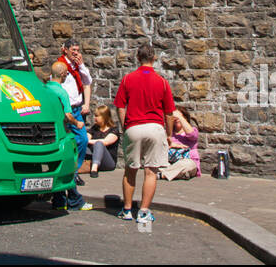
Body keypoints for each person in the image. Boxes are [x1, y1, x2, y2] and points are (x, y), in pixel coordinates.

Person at [114, 44, 175, 224]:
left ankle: (126, 210)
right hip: (155, 127)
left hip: (134, 126)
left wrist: (125, 127)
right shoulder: (162, 82)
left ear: (138, 58)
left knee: (130, 170)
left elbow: (119, 106)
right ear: (154, 58)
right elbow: (169, 113)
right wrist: (169, 134)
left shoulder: (127, 79)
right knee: (151, 171)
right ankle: (143, 211)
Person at [44, 61, 92, 211]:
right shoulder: (61, 92)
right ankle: (75, 200)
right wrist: (77, 123)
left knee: (55, 166)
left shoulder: (45, 89)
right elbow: (67, 114)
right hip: (63, 133)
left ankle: (59, 201)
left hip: (49, 134)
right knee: (68, 166)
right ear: (63, 74)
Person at [56, 40, 92, 182]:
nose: (76, 52)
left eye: (77, 50)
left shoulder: (77, 66)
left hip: (76, 109)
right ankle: (67, 173)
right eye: (73, 50)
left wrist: (82, 64)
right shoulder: (60, 65)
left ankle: (74, 171)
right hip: (66, 110)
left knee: (82, 140)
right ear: (65, 50)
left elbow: (88, 81)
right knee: (66, 142)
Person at [86, 104, 120, 177]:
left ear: (104, 117)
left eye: (97, 116)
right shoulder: (94, 128)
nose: (94, 118)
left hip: (108, 163)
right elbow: (86, 138)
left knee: (99, 144)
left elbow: (105, 142)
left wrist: (88, 141)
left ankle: (94, 170)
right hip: (92, 157)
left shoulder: (114, 130)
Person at [167, 105, 200, 176]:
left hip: (187, 162)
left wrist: (179, 116)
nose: (176, 119)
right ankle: (172, 174)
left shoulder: (193, 130)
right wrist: (172, 145)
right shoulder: (169, 134)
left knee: (187, 164)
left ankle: (164, 174)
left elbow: (192, 135)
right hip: (171, 162)